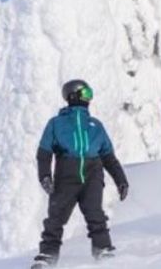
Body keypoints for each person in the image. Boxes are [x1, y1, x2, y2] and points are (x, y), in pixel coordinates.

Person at [32, 80, 129, 268]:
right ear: (73, 95)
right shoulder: (56, 123)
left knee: (96, 214)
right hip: (65, 176)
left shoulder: (95, 125)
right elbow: (44, 153)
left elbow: (109, 157)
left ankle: (103, 250)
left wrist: (121, 180)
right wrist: (45, 176)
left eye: (90, 94)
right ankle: (47, 256)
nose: (88, 98)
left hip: (93, 174)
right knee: (56, 217)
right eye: (86, 93)